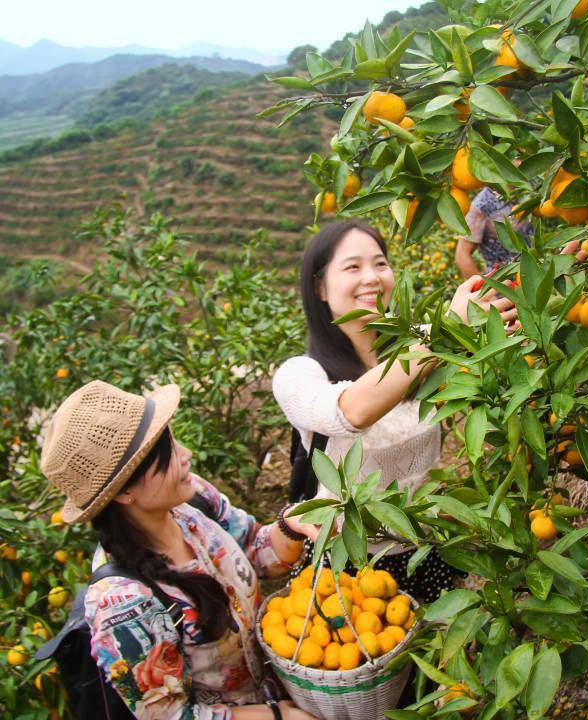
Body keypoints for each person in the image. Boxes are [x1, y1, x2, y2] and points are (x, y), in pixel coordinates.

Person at [40, 379, 320, 720]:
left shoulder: (192, 501)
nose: (186, 455)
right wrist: (277, 716)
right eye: (168, 453)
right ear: (123, 492)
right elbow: (172, 715)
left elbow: (255, 549)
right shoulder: (123, 602)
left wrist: (291, 525)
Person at [272, 220, 517, 601]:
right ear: (320, 287)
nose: (371, 277)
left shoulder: (423, 343)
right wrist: (446, 330)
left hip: (427, 548)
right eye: (353, 267)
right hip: (349, 565)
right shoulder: (299, 374)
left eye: (380, 264)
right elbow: (351, 412)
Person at [455, 187, 533, 279]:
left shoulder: (526, 191)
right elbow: (462, 255)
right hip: (503, 281)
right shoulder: (481, 205)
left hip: (532, 273)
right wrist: (482, 286)